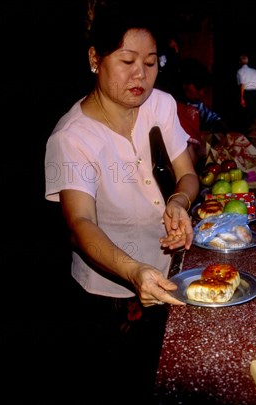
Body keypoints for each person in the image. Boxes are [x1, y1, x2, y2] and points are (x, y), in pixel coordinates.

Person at [43, 6, 198, 403]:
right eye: (127, 61)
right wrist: (134, 272)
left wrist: (179, 201)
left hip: (169, 272)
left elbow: (188, 174)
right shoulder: (71, 138)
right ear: (95, 59)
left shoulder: (160, 105)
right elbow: (80, 224)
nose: (140, 76)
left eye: (150, 63)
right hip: (109, 294)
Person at [176, 58, 229, 169]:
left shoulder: (196, 104)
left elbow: (214, 118)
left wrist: (224, 130)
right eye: (198, 87)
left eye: (204, 90)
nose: (201, 93)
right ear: (184, 83)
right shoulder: (170, 105)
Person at [236, 53, 256, 132]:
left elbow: (242, 85)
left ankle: (246, 134)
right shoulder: (255, 72)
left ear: (240, 62)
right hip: (255, 95)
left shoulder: (240, 71)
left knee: (245, 117)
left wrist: (242, 98)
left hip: (246, 94)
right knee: (254, 117)